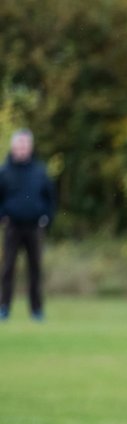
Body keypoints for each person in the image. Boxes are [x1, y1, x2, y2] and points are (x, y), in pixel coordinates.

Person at [0, 129, 57, 322]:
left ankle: (36, 310)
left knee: (35, 270)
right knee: (8, 269)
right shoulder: (4, 171)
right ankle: (4, 308)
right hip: (12, 227)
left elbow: (50, 197)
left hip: (34, 227)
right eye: (20, 144)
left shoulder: (39, 171)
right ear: (14, 146)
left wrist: (46, 218)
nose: (22, 148)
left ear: (30, 147)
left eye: (26, 144)